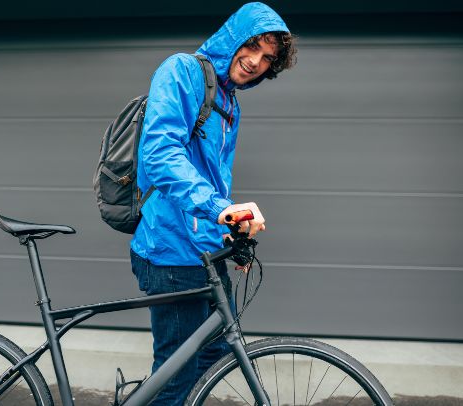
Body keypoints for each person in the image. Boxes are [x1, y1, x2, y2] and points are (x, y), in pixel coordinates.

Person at [130, 2, 297, 404]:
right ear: (234, 36)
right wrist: (218, 209)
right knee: (176, 376)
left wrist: (229, 230)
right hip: (170, 251)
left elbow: (213, 178)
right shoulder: (183, 71)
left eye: (267, 57)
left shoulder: (229, 102)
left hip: (205, 253)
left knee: (215, 358)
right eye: (252, 45)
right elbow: (161, 154)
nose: (256, 61)